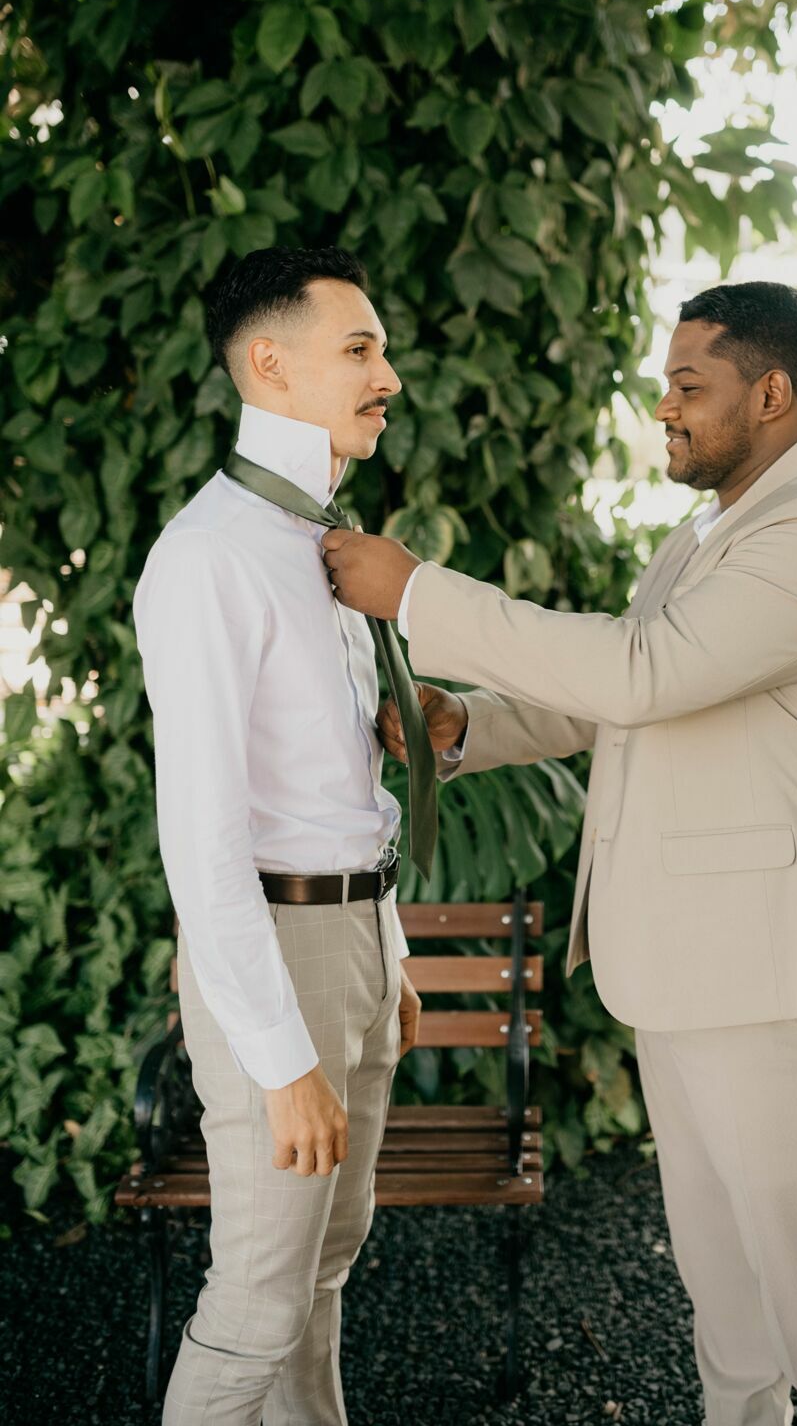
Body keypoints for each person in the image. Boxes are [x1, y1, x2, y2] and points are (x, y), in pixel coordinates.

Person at [322, 280, 797, 1426]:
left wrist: (417, 593)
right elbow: (639, 696)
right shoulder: (717, 527)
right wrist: (470, 726)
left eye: (688, 385)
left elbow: (642, 671)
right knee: (726, 1292)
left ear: (771, 391)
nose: (664, 405)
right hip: (696, 966)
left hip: (781, 970)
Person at [133, 246, 438, 1425]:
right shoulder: (210, 557)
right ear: (270, 363)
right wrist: (278, 1055)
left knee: (324, 1269)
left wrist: (392, 947)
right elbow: (201, 837)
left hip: (353, 945)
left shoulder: (319, 542)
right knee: (259, 1300)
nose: (390, 377)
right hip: (272, 958)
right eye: (360, 349)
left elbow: (335, 783)